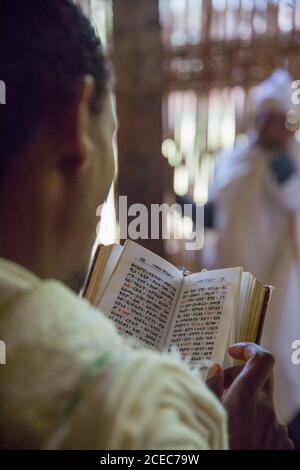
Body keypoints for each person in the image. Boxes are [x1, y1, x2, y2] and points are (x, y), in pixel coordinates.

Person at [0, 1, 293, 450]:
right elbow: (211, 218)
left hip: (272, 296)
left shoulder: (290, 172)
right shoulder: (128, 412)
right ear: (76, 124)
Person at [213, 69, 300, 428]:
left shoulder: (291, 164)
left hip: (275, 278)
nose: (269, 126)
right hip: (231, 273)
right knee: (232, 353)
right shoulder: (234, 158)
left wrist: (284, 169)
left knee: (276, 350)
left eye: (277, 120)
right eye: (263, 118)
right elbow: (218, 210)